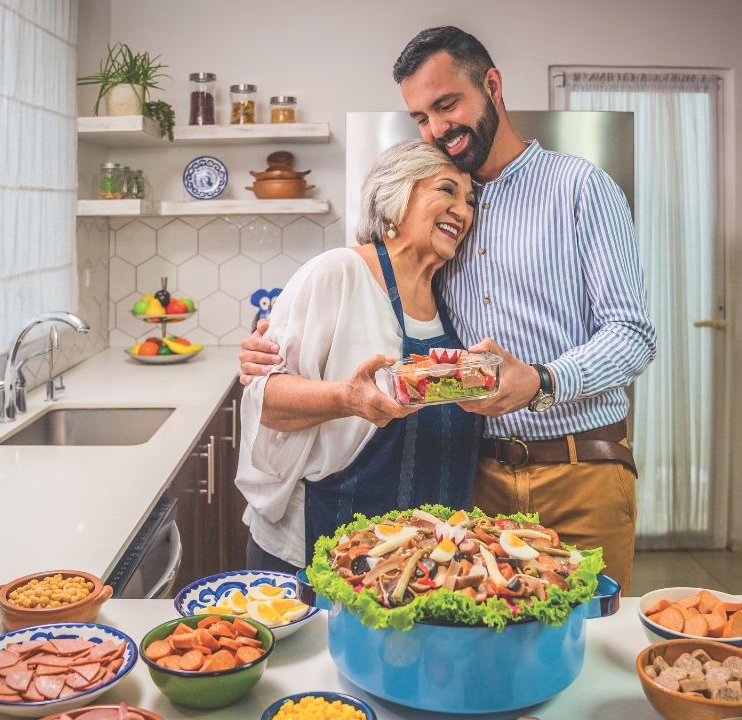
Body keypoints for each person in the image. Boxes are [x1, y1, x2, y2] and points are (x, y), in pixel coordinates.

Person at [241, 27, 657, 592]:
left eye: (447, 104)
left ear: (491, 85)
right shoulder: (432, 240)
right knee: (483, 651)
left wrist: (541, 381)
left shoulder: (580, 188)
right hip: (473, 481)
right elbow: (343, 316)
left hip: (578, 469)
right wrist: (268, 341)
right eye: (421, 117)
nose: (437, 129)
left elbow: (633, 333)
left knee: (585, 639)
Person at [235, 139, 484, 572]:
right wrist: (346, 399)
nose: (463, 211)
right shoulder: (338, 272)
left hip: (425, 555)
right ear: (396, 196)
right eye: (447, 191)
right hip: (320, 535)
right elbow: (266, 402)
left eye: (470, 200)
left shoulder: (452, 296)